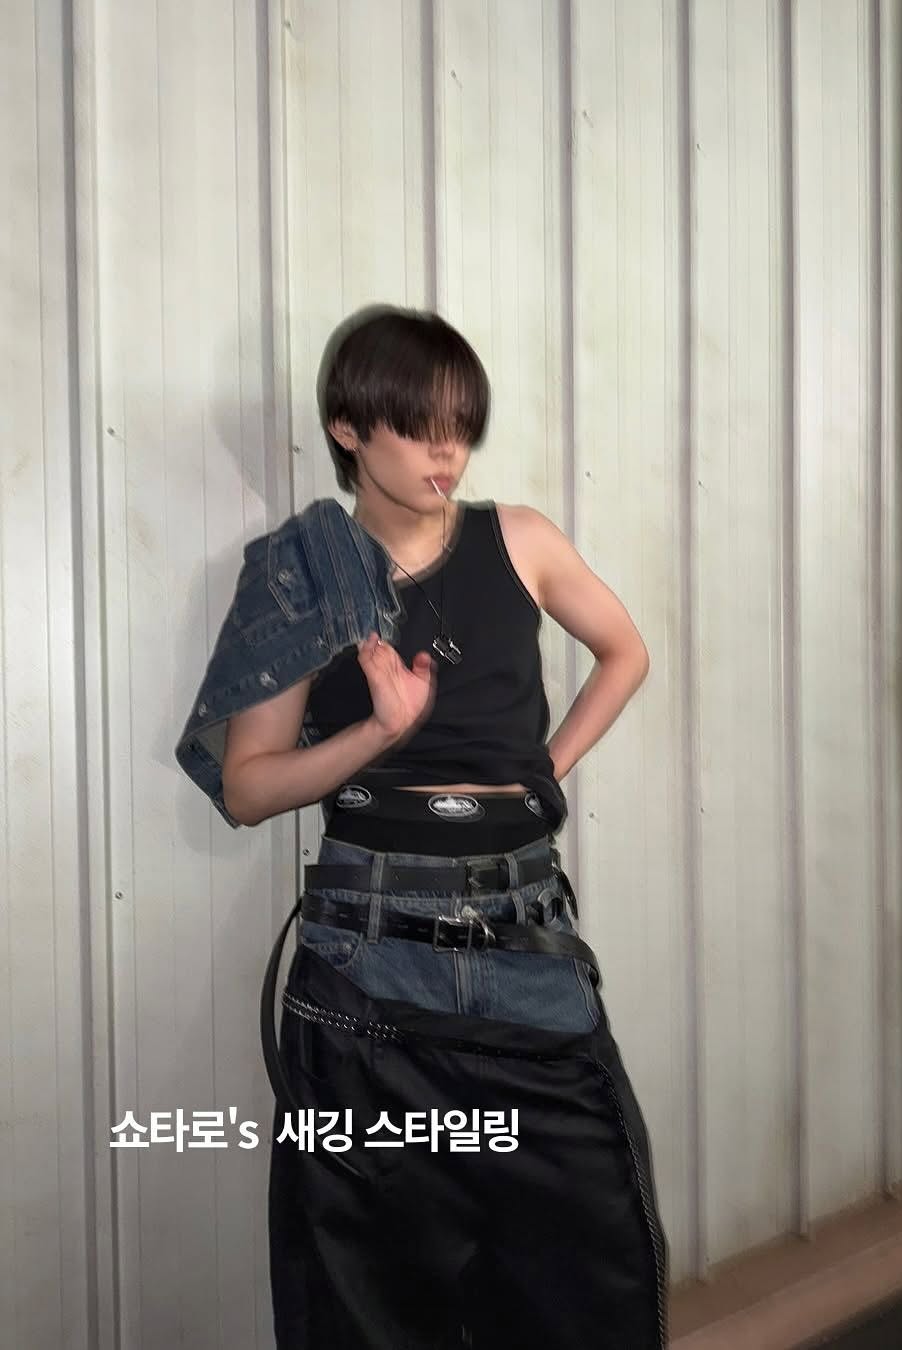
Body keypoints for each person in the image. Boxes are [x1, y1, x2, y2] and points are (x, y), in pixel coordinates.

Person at [222, 306, 669, 1348]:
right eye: (419, 427)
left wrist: (540, 773)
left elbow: (626, 652)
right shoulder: (298, 572)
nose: (447, 452)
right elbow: (248, 787)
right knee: (375, 1298)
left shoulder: (521, 538)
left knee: (587, 1273)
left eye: (461, 427)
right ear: (347, 428)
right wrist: (377, 732)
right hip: (365, 954)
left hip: (525, 939)